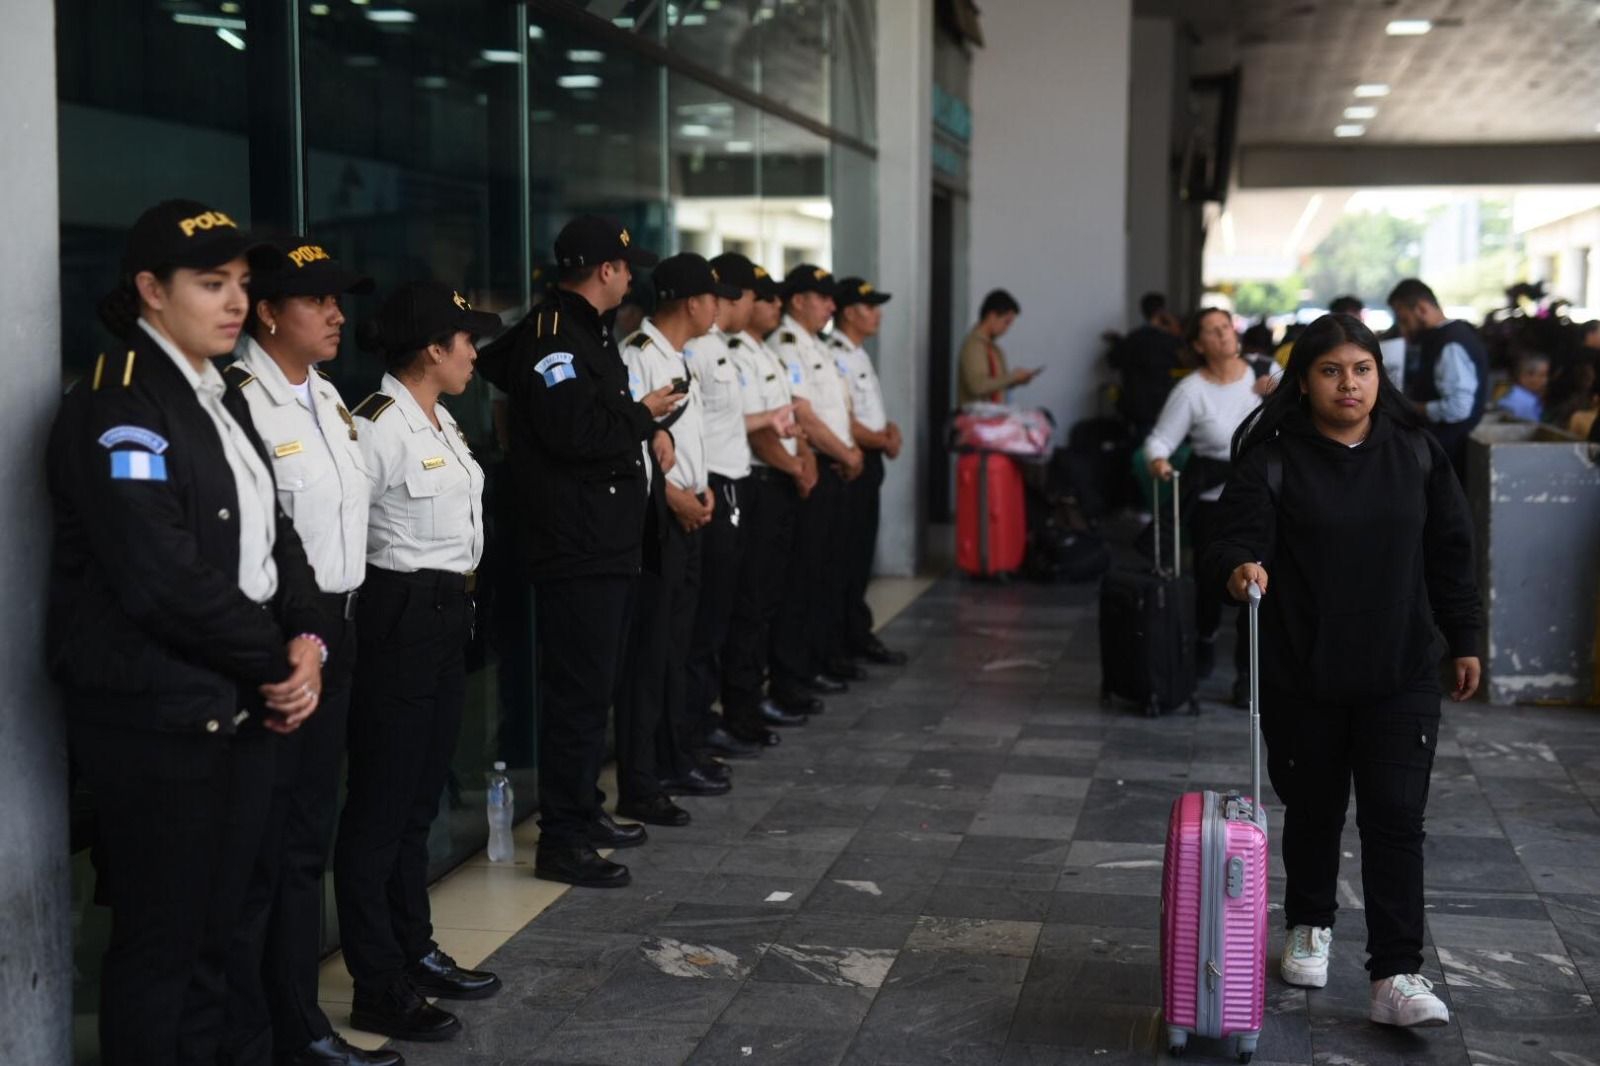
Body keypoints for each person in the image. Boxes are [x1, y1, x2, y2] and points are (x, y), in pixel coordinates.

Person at [46, 199, 326, 1065]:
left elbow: (277, 536)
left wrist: (309, 637)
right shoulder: (118, 402)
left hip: (235, 704)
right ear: (149, 292)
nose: (236, 301)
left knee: (224, 933)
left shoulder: (216, 394)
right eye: (212, 283)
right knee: (166, 946)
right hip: (162, 717)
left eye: (241, 283)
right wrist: (275, 661)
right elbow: (160, 577)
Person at [1202, 312, 1481, 1030]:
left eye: (1361, 368)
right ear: (1304, 379)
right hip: (1305, 668)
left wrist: (1466, 638)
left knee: (1395, 818)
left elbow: (1451, 552)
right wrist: (1240, 568)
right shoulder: (1274, 457)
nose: (1348, 383)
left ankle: (1395, 972)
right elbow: (1233, 536)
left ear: (1379, 376)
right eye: (1330, 370)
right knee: (1316, 807)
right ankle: (1309, 922)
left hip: (1402, 668)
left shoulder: (1415, 451)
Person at [222, 239, 398, 1066]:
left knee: (305, 838)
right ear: (267, 313)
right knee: (271, 847)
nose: (336, 314)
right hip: (279, 639)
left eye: (341, 298)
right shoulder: (241, 399)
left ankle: (295, 1022)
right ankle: (280, 1030)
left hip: (340, 625)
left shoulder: (325, 396)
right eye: (316, 300)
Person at [476, 215, 678, 888]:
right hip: (577, 542)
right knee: (578, 694)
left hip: (604, 538)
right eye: (625, 266)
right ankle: (562, 838)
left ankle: (582, 808)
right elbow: (574, 430)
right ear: (603, 271)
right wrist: (643, 413)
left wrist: (635, 417)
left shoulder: (584, 330)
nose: (630, 275)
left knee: (593, 690)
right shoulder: (554, 336)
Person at [333, 281, 502, 1043]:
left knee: (417, 804)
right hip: (397, 616)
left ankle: (413, 949)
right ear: (434, 348)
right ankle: (378, 983)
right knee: (380, 810)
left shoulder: (442, 420)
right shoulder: (375, 426)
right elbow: (343, 536)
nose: (474, 351)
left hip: (443, 615)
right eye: (466, 340)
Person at [616, 253, 743, 826]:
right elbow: (636, 449)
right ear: (692, 302)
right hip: (661, 518)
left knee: (683, 643)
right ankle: (653, 769)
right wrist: (679, 499)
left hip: (690, 509)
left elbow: (681, 438)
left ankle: (678, 750)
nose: (720, 306)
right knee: (655, 654)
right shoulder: (637, 357)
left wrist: (703, 489)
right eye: (714, 296)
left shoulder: (677, 356)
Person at [684, 253, 796, 760]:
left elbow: (727, 423)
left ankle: (729, 711)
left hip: (737, 485)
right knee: (710, 620)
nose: (755, 304)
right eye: (751, 294)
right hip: (712, 489)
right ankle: (702, 724)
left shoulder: (721, 348)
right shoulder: (699, 351)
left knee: (737, 608)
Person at [1144, 307, 1280, 702]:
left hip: (1265, 499)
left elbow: (1308, 417)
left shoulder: (1267, 374)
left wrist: (1279, 398)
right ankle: (1203, 642)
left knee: (1259, 583)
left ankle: (1246, 672)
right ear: (1198, 344)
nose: (1224, 336)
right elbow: (1160, 441)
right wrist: (1159, 462)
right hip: (1213, 502)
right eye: (1213, 332)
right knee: (1212, 583)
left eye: (1227, 327)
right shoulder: (1191, 390)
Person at [721, 269, 820, 742]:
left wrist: (805, 459)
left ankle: (758, 695)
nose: (774, 305)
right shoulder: (736, 353)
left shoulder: (763, 351)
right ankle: (742, 706)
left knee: (772, 597)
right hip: (761, 481)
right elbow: (759, 430)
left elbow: (789, 420)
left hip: (779, 481)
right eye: (764, 298)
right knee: (751, 602)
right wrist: (796, 467)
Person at [770, 265, 865, 704]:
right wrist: (845, 453)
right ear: (797, 301)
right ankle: (792, 674)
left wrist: (849, 450)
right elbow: (803, 414)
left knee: (827, 573)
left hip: (835, 467)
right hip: (814, 469)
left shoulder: (815, 345)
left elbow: (837, 407)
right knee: (802, 577)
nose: (832, 306)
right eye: (822, 297)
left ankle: (815, 661)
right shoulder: (787, 346)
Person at [829, 277, 908, 666]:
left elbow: (868, 413)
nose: (876, 314)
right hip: (851, 461)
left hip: (870, 457)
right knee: (844, 557)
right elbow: (843, 421)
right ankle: (841, 639)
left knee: (861, 555)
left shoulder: (858, 353)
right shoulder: (835, 355)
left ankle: (857, 633)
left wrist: (889, 431)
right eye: (868, 307)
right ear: (847, 312)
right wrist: (882, 440)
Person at [1387, 278, 1488, 476]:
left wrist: (1414, 407)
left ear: (1422, 309)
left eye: (1404, 320)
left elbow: (1458, 407)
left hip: (1451, 452)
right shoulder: (1446, 337)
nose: (1403, 328)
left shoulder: (1451, 344)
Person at [1107, 291, 1184, 437]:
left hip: (1134, 404)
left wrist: (1117, 342)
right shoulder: (1168, 341)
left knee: (1140, 450)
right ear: (1162, 312)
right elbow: (1186, 359)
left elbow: (1113, 361)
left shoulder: (1133, 338)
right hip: (1162, 403)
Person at [957, 289, 1038, 406]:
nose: (1007, 329)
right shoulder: (973, 346)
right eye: (1006, 322)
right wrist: (1012, 377)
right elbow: (977, 386)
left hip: (996, 416)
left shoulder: (995, 350)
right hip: (977, 420)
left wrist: (1017, 380)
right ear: (992, 316)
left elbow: (998, 383)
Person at [1496, 351, 1549, 422]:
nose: (1545, 381)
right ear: (1524, 377)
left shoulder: (1512, 392)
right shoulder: (1527, 403)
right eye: (1542, 375)